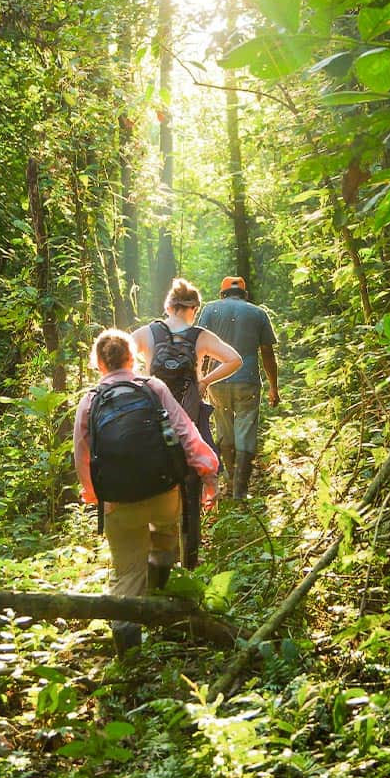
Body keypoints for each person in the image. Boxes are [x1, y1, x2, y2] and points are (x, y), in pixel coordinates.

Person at [74, 328, 218, 655]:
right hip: (164, 493)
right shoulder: (153, 387)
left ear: (99, 363)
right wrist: (209, 472)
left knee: (127, 574)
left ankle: (128, 652)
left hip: (119, 504)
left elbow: (81, 455)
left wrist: (95, 495)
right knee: (167, 535)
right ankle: (160, 596)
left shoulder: (90, 400)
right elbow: (186, 432)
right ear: (133, 358)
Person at [131, 278, 242, 564]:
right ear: (195, 308)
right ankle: (190, 560)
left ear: (168, 306)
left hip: (151, 429)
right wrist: (204, 380)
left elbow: (119, 362)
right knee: (191, 491)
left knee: (152, 490)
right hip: (189, 426)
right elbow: (234, 359)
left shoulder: (147, 333)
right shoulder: (200, 336)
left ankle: (154, 558)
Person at [198, 275, 280, 500]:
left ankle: (230, 480)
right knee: (246, 429)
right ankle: (241, 490)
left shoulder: (210, 309)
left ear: (222, 293)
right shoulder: (258, 313)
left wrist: (201, 380)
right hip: (248, 380)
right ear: (245, 294)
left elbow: (200, 348)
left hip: (218, 380)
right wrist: (274, 387)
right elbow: (267, 354)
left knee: (224, 427)